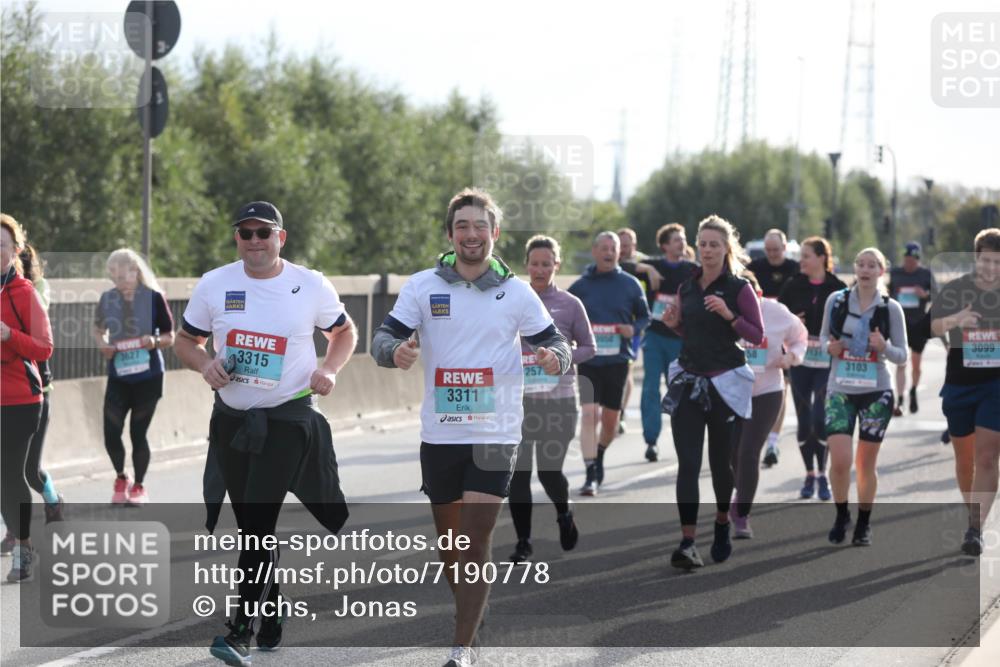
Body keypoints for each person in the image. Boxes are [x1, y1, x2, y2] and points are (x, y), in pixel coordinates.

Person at [371, 188, 571, 667]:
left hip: (495, 433)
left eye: (480, 225)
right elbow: (382, 338)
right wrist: (394, 352)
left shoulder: (516, 292)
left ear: (494, 233)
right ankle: (473, 618)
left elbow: (557, 342)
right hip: (441, 433)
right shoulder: (423, 287)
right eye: (462, 225)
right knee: (451, 547)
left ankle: (461, 649)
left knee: (475, 539)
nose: (471, 234)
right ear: (450, 234)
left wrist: (554, 358)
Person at [176, 201, 357, 665]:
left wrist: (329, 370)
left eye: (264, 232)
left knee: (257, 523)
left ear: (281, 237)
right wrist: (204, 364)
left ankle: (239, 632)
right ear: (236, 238)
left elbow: (344, 331)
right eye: (246, 233)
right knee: (254, 528)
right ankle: (272, 614)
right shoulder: (215, 284)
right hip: (233, 422)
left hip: (288, 419)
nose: (255, 241)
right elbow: (186, 340)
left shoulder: (309, 284)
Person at [661, 215, 763, 569]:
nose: (707, 250)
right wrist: (674, 325)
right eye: (702, 244)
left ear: (726, 249)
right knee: (688, 464)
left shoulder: (739, 288)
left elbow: (756, 335)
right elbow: (689, 332)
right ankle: (688, 542)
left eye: (714, 244)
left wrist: (730, 315)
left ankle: (721, 523)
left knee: (721, 464)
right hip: (690, 381)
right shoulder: (687, 287)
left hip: (725, 384)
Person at [508, 235, 595, 563]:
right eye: (534, 264)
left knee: (548, 472)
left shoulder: (570, 304)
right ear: (526, 265)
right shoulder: (511, 300)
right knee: (518, 474)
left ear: (556, 265)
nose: (540, 270)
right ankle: (523, 542)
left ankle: (564, 512)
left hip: (558, 400)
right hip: (519, 402)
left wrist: (562, 358)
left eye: (546, 264)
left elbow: (589, 347)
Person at [820, 248, 907, 547]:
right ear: (855, 269)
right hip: (840, 389)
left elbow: (902, 354)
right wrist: (828, 348)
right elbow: (822, 337)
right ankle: (841, 514)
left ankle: (864, 523)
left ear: (882, 271)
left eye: (872, 265)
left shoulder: (890, 308)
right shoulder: (836, 301)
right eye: (861, 264)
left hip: (876, 391)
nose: (865, 270)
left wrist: (883, 346)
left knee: (865, 464)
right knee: (840, 461)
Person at [931, 228, 1000, 556]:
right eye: (986, 260)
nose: (992, 267)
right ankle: (974, 517)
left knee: (987, 456)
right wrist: (956, 319)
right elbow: (931, 326)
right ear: (976, 258)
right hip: (959, 383)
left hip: (996, 386)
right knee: (965, 461)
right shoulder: (956, 289)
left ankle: (975, 529)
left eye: (998, 262)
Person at [569, 232, 650, 495]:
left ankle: (600, 453)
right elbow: (565, 317)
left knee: (610, 422)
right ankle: (590, 471)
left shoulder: (630, 284)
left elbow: (645, 317)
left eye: (612, 248)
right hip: (589, 360)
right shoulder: (581, 286)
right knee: (590, 414)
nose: (608, 252)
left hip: (617, 360)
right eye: (603, 248)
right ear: (594, 251)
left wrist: (633, 329)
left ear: (619, 253)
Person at [93, 249, 175, 506]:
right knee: (111, 433)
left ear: (135, 271)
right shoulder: (108, 298)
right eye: (113, 276)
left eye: (121, 275)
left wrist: (154, 341)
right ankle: (121, 477)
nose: (117, 280)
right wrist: (102, 344)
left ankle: (139, 486)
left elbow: (170, 336)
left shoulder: (153, 298)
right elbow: (97, 329)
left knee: (138, 434)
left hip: (148, 377)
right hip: (119, 376)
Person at [730, 272, 807, 538]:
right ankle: (739, 492)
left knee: (749, 452)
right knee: (731, 454)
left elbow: (800, 336)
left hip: (767, 390)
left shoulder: (776, 312)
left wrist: (791, 357)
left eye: (751, 297)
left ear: (759, 295)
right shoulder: (724, 312)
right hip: (730, 392)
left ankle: (742, 516)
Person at [0, 214, 54, 582]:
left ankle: (23, 548)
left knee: (11, 474)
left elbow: (45, 347)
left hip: (20, 400)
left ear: (15, 250)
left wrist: (9, 335)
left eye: (1, 245)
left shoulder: (24, 293)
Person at [778, 237, 847, 500]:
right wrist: (793, 321)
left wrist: (838, 339)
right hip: (801, 361)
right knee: (805, 421)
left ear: (821, 257)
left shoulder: (837, 288)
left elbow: (848, 322)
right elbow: (778, 317)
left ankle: (823, 474)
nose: (801, 261)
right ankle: (810, 474)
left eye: (806, 256)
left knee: (820, 418)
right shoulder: (793, 285)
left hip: (826, 363)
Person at [639, 223, 697, 462]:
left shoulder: (692, 269)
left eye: (683, 239)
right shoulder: (655, 266)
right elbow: (625, 265)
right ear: (664, 245)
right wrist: (648, 270)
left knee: (679, 390)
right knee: (651, 388)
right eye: (676, 240)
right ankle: (651, 440)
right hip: (655, 337)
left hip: (679, 339)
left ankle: (684, 441)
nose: (682, 243)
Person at [748, 229, 800, 467]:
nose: (771, 254)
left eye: (776, 250)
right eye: (768, 250)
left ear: (785, 248)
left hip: (781, 336)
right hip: (755, 336)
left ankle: (772, 442)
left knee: (781, 387)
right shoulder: (755, 267)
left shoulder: (794, 269)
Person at [617, 227, 660, 434]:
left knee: (627, 368)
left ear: (634, 244)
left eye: (628, 245)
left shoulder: (646, 261)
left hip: (635, 325)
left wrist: (649, 269)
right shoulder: (613, 261)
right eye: (621, 245)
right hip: (613, 324)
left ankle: (621, 412)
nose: (624, 249)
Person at [889, 241, 935, 416]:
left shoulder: (925, 274)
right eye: (907, 259)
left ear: (918, 259)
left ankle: (914, 390)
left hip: (919, 324)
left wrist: (925, 295)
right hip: (900, 323)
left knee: (916, 363)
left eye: (913, 260)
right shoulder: (895, 273)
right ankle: (900, 400)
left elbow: (938, 296)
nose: (909, 262)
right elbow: (889, 292)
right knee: (901, 362)